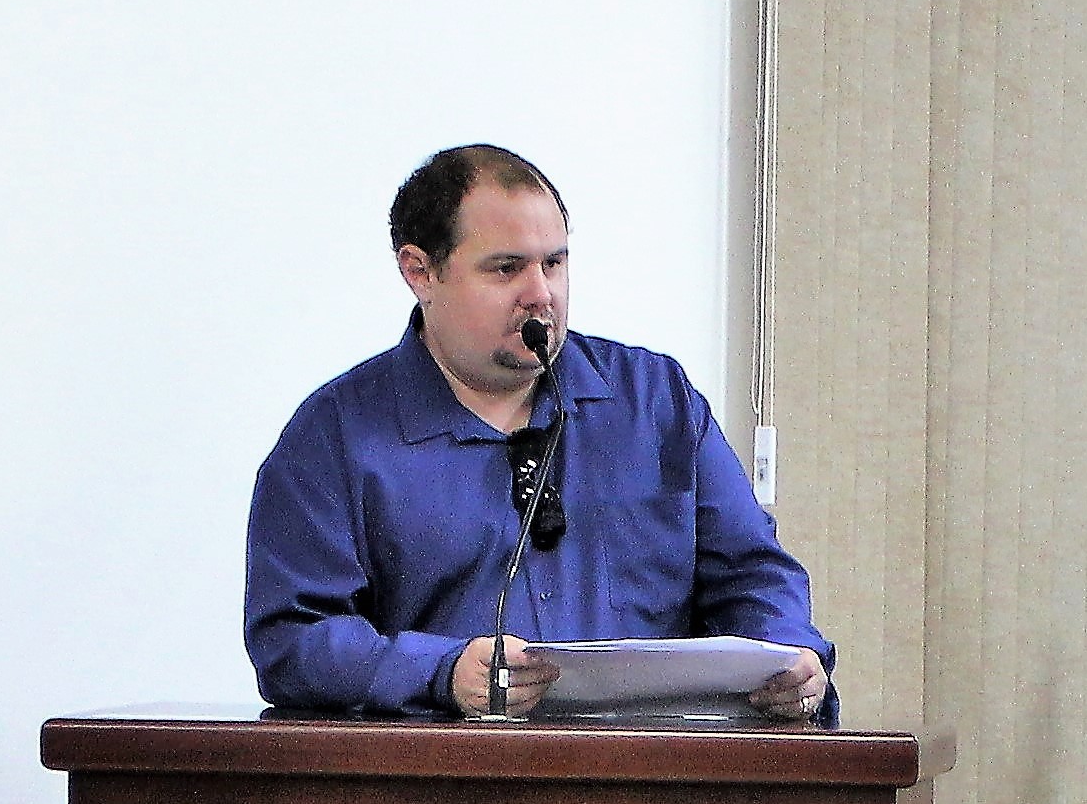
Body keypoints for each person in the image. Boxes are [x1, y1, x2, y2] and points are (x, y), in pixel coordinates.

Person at [244, 143, 831, 720]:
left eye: (554, 263)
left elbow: (755, 574)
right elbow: (292, 641)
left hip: (649, 779)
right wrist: (441, 673)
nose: (541, 295)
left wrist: (789, 656)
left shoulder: (654, 400)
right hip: (441, 787)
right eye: (506, 269)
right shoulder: (335, 435)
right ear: (420, 272)